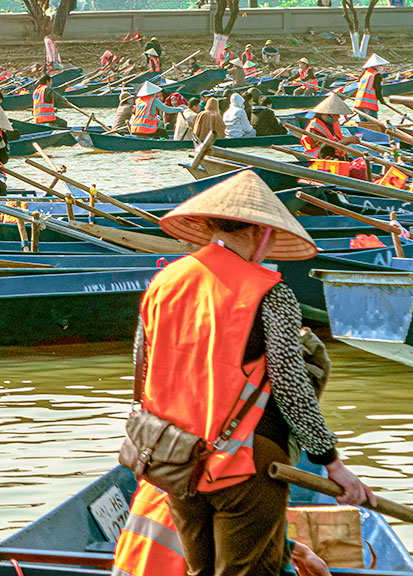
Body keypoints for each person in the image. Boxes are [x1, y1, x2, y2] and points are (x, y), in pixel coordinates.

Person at [129, 171, 373, 576]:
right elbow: (292, 385)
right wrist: (331, 461)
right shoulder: (269, 291)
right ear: (261, 231)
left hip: (176, 460)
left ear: (208, 225)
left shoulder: (163, 281)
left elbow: (143, 371)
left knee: (200, 572)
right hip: (242, 462)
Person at [352, 54, 386, 119]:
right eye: (381, 65)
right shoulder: (376, 75)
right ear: (376, 65)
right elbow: (378, 89)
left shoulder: (365, 73)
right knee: (373, 125)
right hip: (369, 104)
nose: (382, 67)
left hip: (359, 103)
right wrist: (382, 100)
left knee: (364, 125)